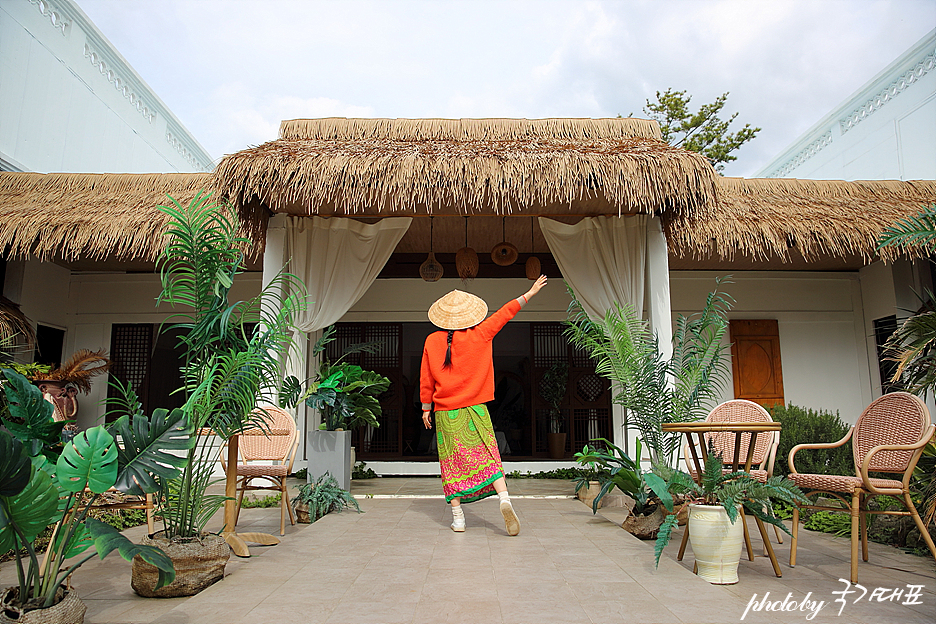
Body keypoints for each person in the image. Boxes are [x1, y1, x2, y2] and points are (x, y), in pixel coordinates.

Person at [420, 275, 548, 535]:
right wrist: (531, 292)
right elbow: (506, 312)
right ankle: (504, 499)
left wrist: (425, 407)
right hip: (476, 409)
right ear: (469, 315)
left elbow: (426, 377)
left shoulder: (432, 341)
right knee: (490, 456)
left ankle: (458, 518)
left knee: (451, 464)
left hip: (446, 413)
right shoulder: (481, 333)